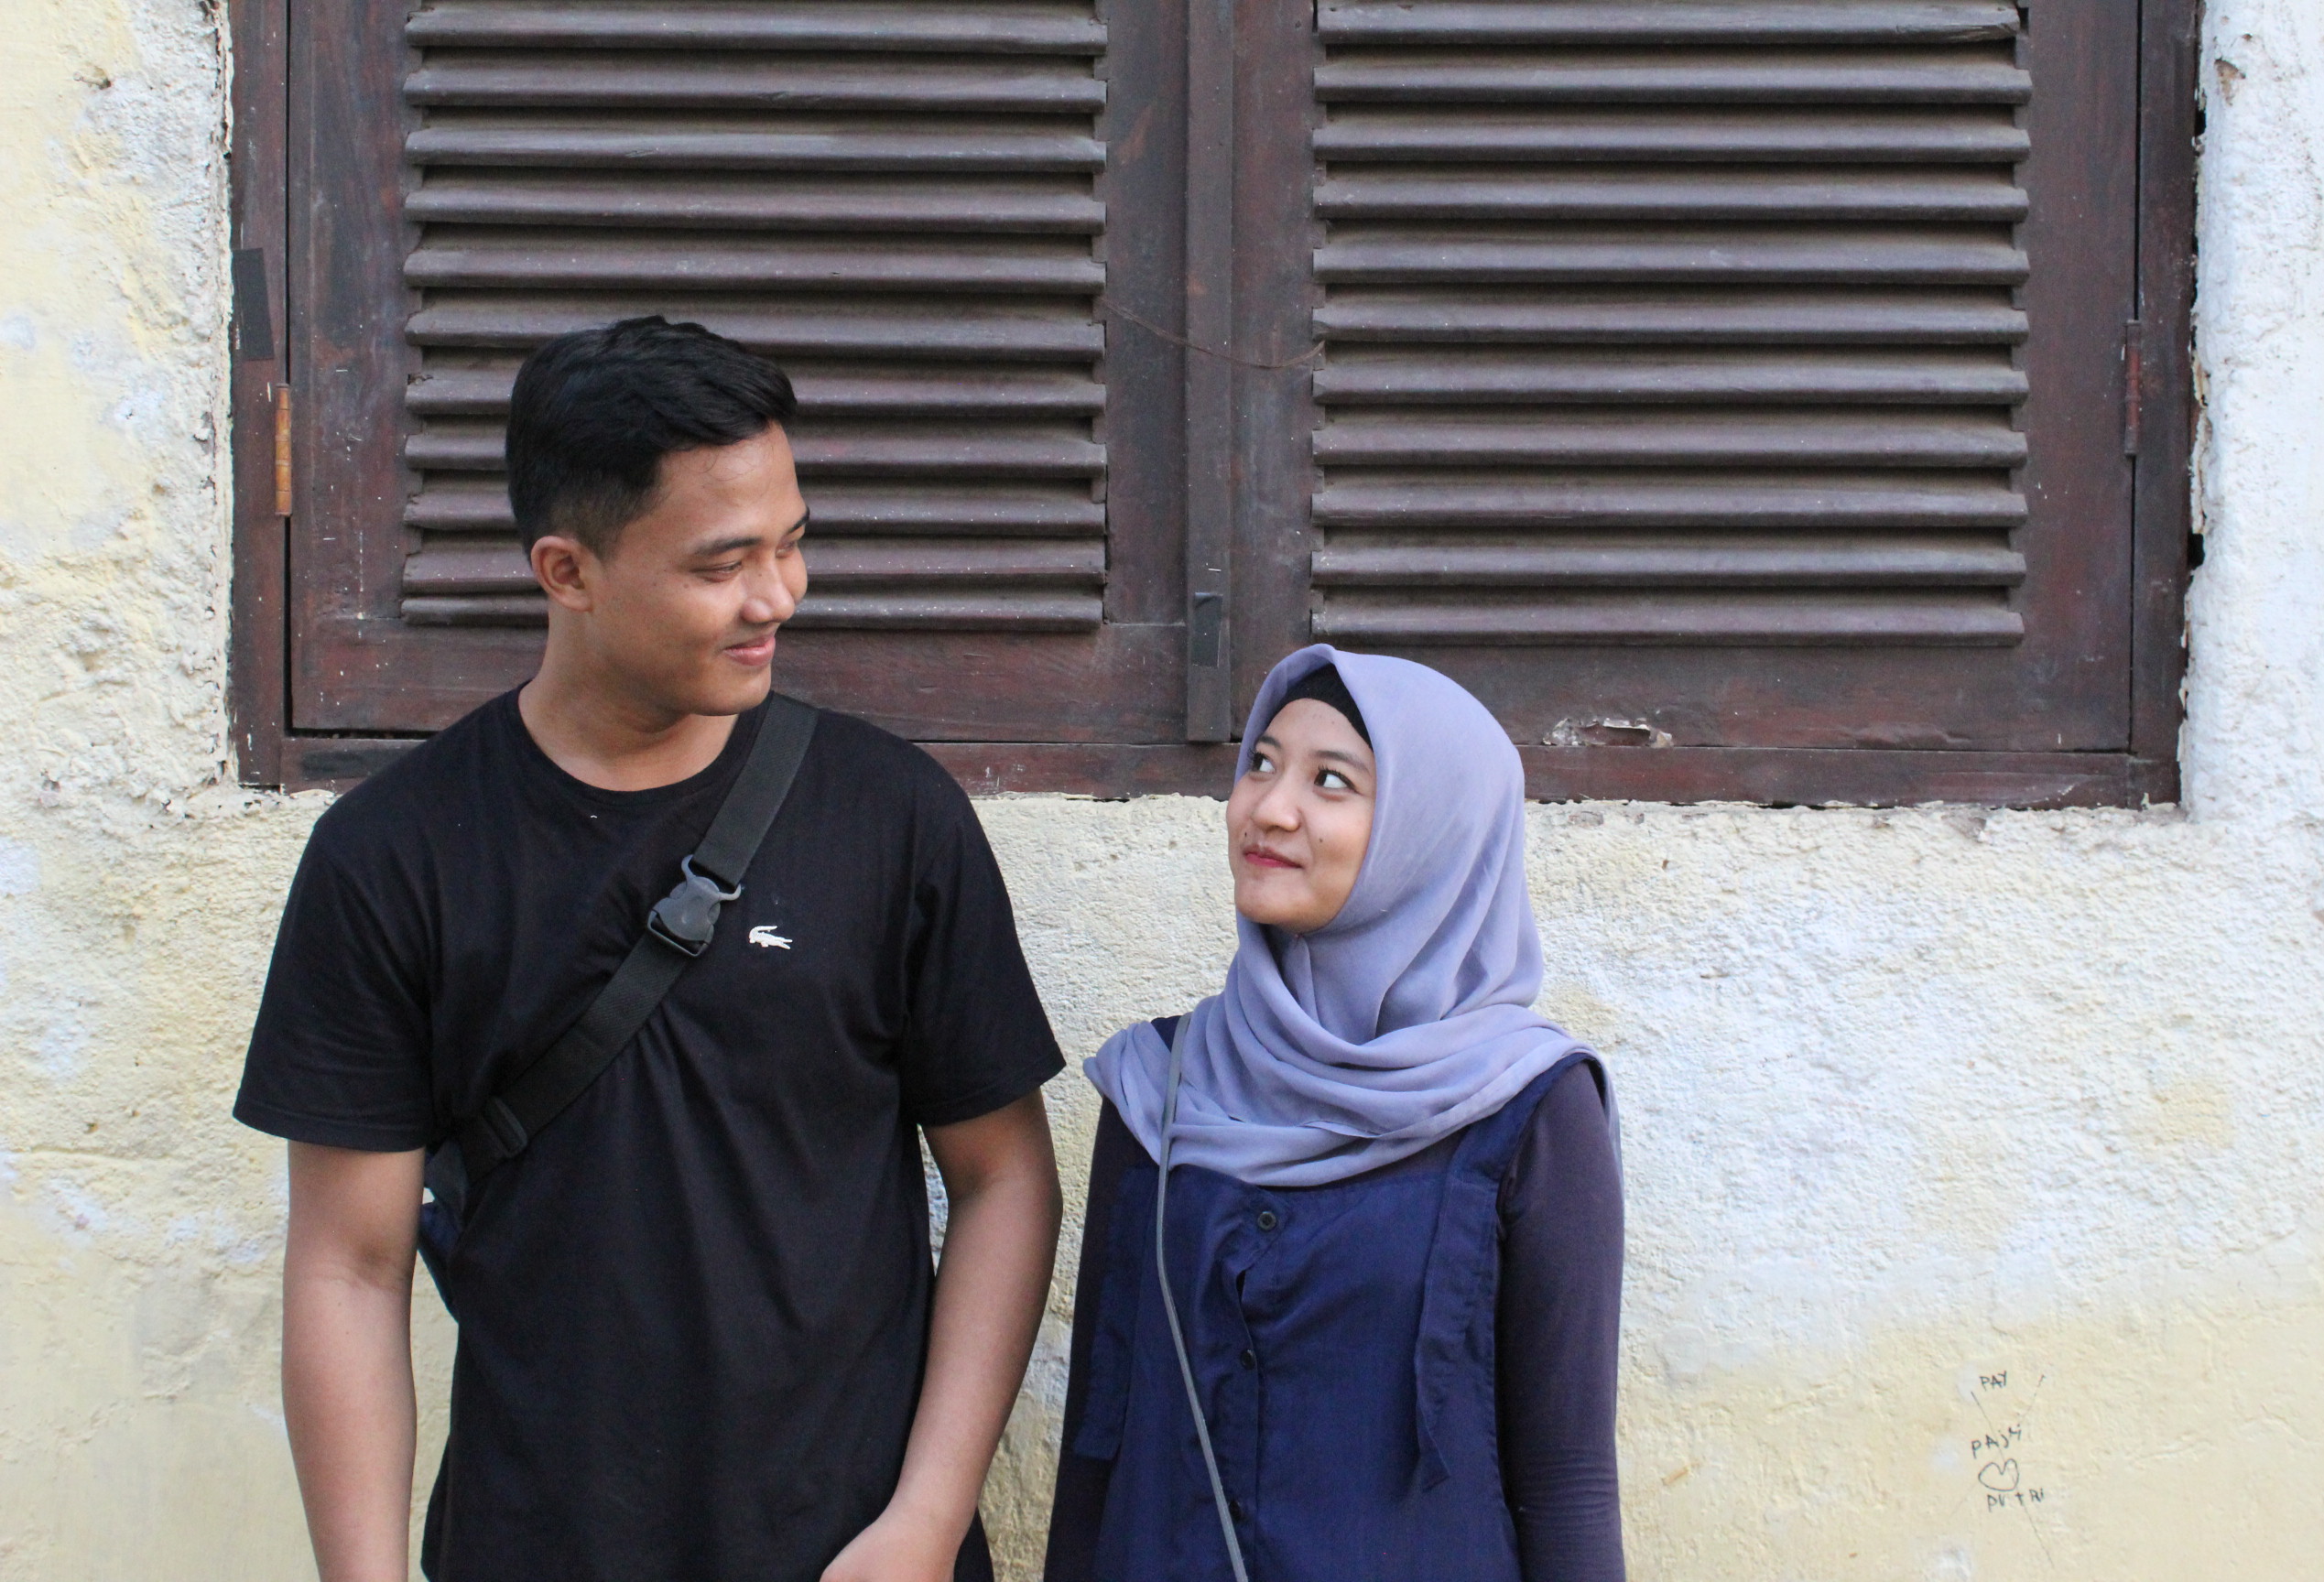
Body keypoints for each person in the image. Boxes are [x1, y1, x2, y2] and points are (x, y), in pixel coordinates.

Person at [234, 317, 1065, 1582]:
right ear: (567, 571)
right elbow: (350, 1266)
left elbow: (1005, 1180)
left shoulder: (892, 817)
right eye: (724, 563)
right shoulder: (393, 857)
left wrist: (926, 1522)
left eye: (791, 543)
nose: (778, 596)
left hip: (853, 1552)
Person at [1044, 645, 1625, 1582]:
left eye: (1331, 781)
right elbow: (1097, 1443)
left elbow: (1568, 1484)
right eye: (1261, 764)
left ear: (1428, 833)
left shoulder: (1532, 1108)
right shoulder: (1162, 1086)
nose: (1269, 808)